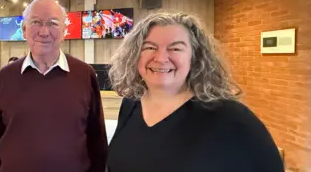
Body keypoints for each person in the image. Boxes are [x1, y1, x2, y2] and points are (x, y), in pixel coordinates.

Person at [106, 12, 284, 172]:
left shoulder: (231, 118)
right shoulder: (131, 104)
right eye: (149, 47)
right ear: (135, 55)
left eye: (175, 48)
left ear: (195, 57)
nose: (160, 58)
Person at [0, 0, 108, 172]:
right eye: (36, 22)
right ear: (24, 29)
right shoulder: (5, 77)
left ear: (64, 31)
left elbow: (98, 140)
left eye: (53, 23)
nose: (44, 31)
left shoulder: (85, 75)